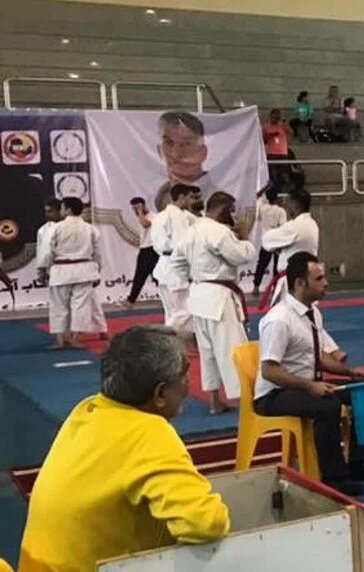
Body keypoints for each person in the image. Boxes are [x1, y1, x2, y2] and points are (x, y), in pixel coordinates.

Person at [18, 325, 230, 570]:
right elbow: (206, 524)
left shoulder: (87, 409)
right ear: (160, 393)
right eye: (184, 374)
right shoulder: (148, 432)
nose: (189, 383)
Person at [255, 252, 364, 496]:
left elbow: (318, 356)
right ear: (300, 283)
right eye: (319, 279)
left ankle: (357, 463)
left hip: (305, 385)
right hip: (273, 395)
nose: (326, 283)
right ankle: (333, 477)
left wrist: (350, 372)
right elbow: (269, 371)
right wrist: (310, 387)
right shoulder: (278, 320)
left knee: (361, 394)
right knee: (327, 405)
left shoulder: (313, 313)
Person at [170, 192, 256, 414]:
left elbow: (176, 263)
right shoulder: (218, 231)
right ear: (223, 209)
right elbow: (242, 256)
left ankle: (214, 401)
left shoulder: (191, 230)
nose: (233, 217)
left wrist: (196, 277)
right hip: (219, 297)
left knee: (207, 351)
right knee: (233, 349)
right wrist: (244, 236)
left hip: (199, 295)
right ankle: (243, 400)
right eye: (231, 211)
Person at [36, 197, 103, 350]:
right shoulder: (90, 228)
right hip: (85, 270)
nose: (61, 210)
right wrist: (98, 270)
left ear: (68, 210)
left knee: (59, 306)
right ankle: (75, 339)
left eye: (62, 208)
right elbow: (97, 253)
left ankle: (60, 340)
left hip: (61, 271)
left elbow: (46, 252)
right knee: (81, 307)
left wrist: (42, 269)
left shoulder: (55, 228)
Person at [259, 186, 319, 308]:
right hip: (303, 278)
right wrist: (281, 248)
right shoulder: (312, 223)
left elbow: (266, 239)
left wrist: (277, 247)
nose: (286, 207)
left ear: (295, 205)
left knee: (291, 315)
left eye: (288, 203)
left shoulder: (295, 226)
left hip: (294, 283)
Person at [151, 184, 198, 335]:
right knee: (185, 311)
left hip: (163, 266)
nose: (192, 201)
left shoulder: (159, 216)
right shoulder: (177, 215)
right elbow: (182, 244)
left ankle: (172, 342)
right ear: (182, 197)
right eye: (190, 197)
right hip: (176, 267)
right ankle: (163, 336)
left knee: (171, 312)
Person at [152, 111, 216, 212]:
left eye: (187, 143)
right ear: (159, 150)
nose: (177, 153)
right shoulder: (154, 199)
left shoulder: (222, 199)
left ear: (203, 152)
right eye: (169, 143)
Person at [119, 197, 159, 309]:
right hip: (145, 250)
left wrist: (140, 211)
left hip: (152, 250)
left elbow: (145, 224)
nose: (136, 211)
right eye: (134, 209)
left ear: (143, 205)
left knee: (155, 277)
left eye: (137, 208)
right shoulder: (142, 217)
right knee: (140, 277)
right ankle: (130, 301)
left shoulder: (153, 216)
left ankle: (130, 301)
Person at [252, 186, 288, 297]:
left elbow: (256, 198)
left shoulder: (262, 208)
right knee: (277, 265)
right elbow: (283, 226)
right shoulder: (280, 211)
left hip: (266, 240)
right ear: (277, 198)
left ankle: (256, 287)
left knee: (261, 264)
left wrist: (263, 189)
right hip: (277, 240)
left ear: (267, 198)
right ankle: (275, 287)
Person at [262, 108, 292, 190]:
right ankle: (274, 190)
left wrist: (284, 123)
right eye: (274, 116)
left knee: (283, 174)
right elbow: (263, 140)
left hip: (282, 153)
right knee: (273, 175)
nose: (275, 118)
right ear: (271, 116)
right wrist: (270, 136)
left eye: (277, 116)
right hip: (271, 153)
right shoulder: (265, 126)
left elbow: (291, 132)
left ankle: (284, 190)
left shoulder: (283, 125)